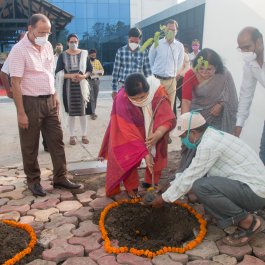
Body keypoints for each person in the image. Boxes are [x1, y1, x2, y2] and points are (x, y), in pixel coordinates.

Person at [151, 112, 265, 247]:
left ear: (193, 133)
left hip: (254, 193)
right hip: (249, 187)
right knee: (199, 185)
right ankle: (221, 214)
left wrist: (164, 198)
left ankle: (249, 222)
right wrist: (170, 185)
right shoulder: (212, 136)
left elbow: (191, 176)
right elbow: (193, 170)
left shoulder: (209, 144)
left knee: (201, 187)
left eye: (183, 137)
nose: (183, 141)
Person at [8, 13, 80, 197]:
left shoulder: (47, 45)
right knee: (30, 145)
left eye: (47, 32)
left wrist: (55, 94)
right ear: (30, 29)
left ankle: (60, 178)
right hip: (30, 102)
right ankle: (33, 181)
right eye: (41, 32)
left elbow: (49, 72)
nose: (44, 36)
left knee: (56, 141)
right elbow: (15, 83)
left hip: (49, 100)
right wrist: (21, 112)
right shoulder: (18, 50)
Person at [99, 73, 176, 198]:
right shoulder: (121, 99)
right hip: (129, 130)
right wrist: (145, 153)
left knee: (156, 154)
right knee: (129, 155)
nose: (140, 101)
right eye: (135, 99)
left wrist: (158, 134)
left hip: (155, 127)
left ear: (148, 90)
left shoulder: (157, 91)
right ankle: (132, 187)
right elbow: (128, 131)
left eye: (142, 97)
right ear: (127, 94)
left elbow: (167, 117)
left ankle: (151, 182)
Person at [179, 48, 238, 171]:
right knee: (194, 146)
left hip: (217, 119)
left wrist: (221, 105)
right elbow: (185, 101)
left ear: (216, 68)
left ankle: (212, 175)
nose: (204, 73)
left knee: (214, 148)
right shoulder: (190, 75)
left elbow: (231, 98)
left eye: (209, 69)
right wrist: (186, 125)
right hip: (197, 117)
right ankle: (190, 174)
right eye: (201, 68)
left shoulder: (224, 74)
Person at [0, 31, 49, 152]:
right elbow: (3, 72)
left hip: (45, 95)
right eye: (23, 39)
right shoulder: (16, 52)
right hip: (25, 96)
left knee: (46, 123)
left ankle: (46, 143)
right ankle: (31, 149)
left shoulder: (43, 48)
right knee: (28, 123)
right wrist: (8, 90)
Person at [234, 27, 265, 165]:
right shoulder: (249, 64)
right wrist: (238, 126)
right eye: (241, 49)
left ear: (259, 41)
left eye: (247, 47)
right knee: (264, 151)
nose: (245, 52)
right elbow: (246, 94)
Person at [55, 33, 93, 145]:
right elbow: (58, 72)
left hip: (82, 87)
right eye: (71, 42)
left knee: (83, 112)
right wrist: (70, 76)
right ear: (67, 43)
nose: (73, 43)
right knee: (70, 112)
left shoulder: (84, 54)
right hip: (68, 88)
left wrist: (83, 76)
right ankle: (71, 136)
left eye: (75, 41)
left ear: (78, 42)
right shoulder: (62, 55)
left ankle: (84, 134)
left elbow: (89, 70)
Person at [149, 19, 184, 110]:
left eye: (173, 30)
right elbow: (151, 60)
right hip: (157, 80)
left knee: (169, 108)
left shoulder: (179, 46)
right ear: (164, 30)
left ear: (176, 31)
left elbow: (179, 63)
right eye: (168, 30)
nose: (171, 32)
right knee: (154, 106)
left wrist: (174, 75)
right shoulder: (157, 43)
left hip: (171, 82)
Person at [111, 27, 152, 100]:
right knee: (124, 109)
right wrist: (114, 90)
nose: (133, 44)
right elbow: (115, 72)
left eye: (136, 42)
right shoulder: (121, 51)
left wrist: (150, 88)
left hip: (138, 88)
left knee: (137, 110)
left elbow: (148, 72)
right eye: (131, 41)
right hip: (124, 86)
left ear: (140, 40)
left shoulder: (144, 51)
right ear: (128, 38)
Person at [174, 44, 190, 114]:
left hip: (181, 77)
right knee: (175, 94)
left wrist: (180, 75)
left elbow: (187, 67)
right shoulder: (174, 53)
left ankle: (183, 106)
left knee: (181, 93)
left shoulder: (185, 55)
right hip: (172, 78)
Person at [88, 49, 104, 120]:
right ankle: (92, 113)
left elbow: (102, 70)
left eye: (94, 55)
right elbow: (87, 72)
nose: (93, 56)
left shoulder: (98, 61)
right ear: (89, 55)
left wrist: (99, 72)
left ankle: (93, 111)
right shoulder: (87, 62)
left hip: (97, 81)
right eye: (92, 55)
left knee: (95, 97)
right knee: (91, 97)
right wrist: (95, 73)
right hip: (89, 81)